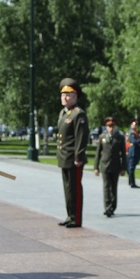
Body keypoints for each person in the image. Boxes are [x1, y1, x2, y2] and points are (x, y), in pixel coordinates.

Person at [56, 78, 90, 228]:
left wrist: (78, 156)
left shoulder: (78, 114)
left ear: (75, 97)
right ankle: (70, 215)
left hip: (73, 158)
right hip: (64, 158)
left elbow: (81, 137)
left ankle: (76, 219)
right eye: (63, 95)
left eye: (68, 95)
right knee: (67, 189)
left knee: (75, 189)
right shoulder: (63, 113)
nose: (65, 97)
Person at [93, 117, 126, 217]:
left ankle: (113, 206)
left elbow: (123, 154)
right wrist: (96, 167)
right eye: (109, 126)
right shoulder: (102, 137)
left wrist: (123, 168)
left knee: (114, 187)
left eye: (112, 126)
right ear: (106, 127)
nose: (111, 128)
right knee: (106, 187)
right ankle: (107, 207)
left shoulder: (119, 137)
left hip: (116, 166)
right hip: (105, 166)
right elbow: (98, 153)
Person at [126, 120, 140, 188]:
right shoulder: (132, 133)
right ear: (131, 125)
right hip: (133, 152)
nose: (135, 126)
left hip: (134, 152)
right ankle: (132, 183)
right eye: (134, 124)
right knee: (131, 168)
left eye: (136, 125)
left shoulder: (135, 133)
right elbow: (134, 141)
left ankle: (130, 182)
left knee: (131, 168)